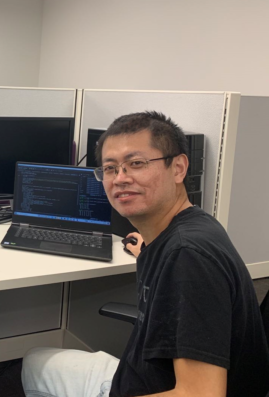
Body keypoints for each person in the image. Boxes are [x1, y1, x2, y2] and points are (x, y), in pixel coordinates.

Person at [21, 111, 269, 397]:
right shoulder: (187, 229)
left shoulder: (187, 257)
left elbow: (201, 394)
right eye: (110, 168)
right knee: (35, 360)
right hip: (142, 376)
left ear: (178, 168)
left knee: (35, 364)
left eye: (136, 164)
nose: (120, 178)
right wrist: (147, 250)